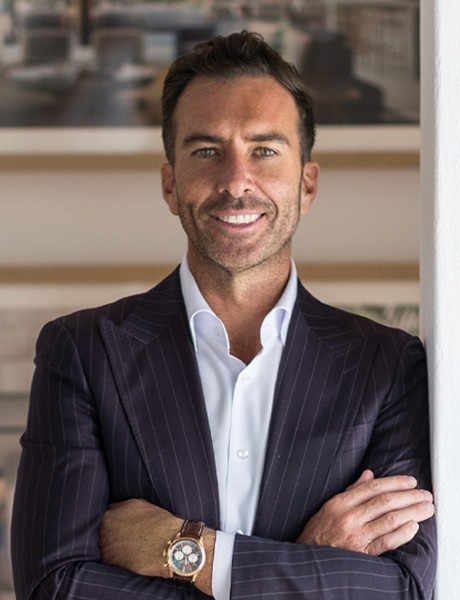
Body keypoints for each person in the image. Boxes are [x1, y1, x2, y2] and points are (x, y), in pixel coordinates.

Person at [11, 31, 436, 600]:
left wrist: (189, 552)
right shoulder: (83, 352)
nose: (236, 182)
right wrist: (308, 562)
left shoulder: (390, 365)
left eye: (265, 150)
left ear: (307, 184)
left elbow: (404, 588)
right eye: (207, 151)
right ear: (170, 184)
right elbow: (54, 586)